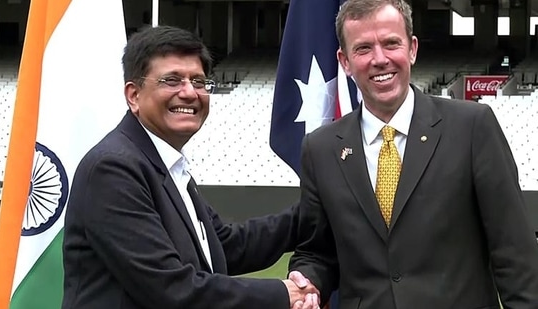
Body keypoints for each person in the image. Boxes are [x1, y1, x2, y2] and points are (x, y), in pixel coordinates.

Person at [288, 0, 538, 308]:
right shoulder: (321, 149)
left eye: (391, 43)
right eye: (363, 48)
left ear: (412, 49)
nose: (380, 59)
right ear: (345, 61)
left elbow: (515, 255)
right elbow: (317, 252)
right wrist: (308, 282)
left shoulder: (472, 128)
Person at [61, 25, 319, 309]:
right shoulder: (113, 169)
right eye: (172, 80)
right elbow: (170, 288)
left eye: (198, 81)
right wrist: (285, 294)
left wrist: (320, 208)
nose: (189, 93)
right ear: (133, 95)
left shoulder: (164, 163)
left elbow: (226, 246)